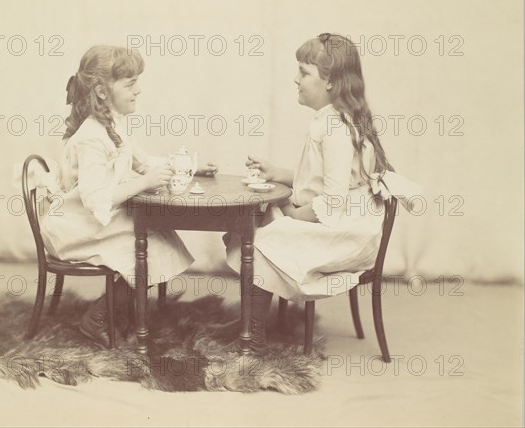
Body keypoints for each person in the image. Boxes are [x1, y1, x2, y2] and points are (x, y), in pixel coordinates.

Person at [225, 33, 419, 355]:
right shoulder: (332, 122)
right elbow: (324, 180)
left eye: (304, 72)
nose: (296, 79)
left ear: (329, 81)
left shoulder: (336, 129)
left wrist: (292, 213)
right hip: (343, 218)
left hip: (347, 231)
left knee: (258, 239)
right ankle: (255, 325)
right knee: (258, 225)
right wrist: (279, 173)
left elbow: (333, 201)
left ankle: (253, 339)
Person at [40, 45, 218, 348]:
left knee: (159, 237)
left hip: (95, 220)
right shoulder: (91, 137)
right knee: (148, 247)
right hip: (75, 225)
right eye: (130, 83)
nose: (138, 91)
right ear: (101, 91)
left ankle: (119, 307)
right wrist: (143, 184)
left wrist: (189, 166)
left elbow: (144, 162)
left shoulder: (114, 126)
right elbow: (95, 198)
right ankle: (97, 317)